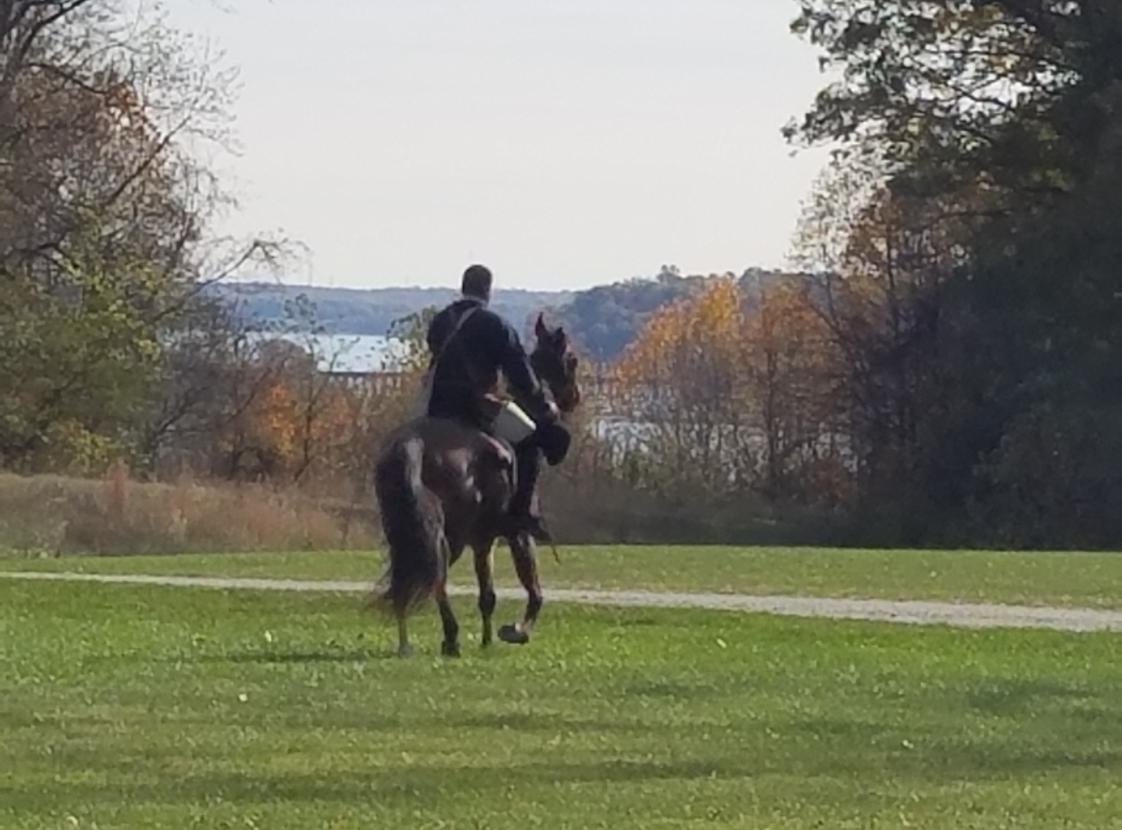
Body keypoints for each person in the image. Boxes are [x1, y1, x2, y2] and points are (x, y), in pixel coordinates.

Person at [425, 264, 559, 540]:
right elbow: (521, 375)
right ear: (488, 290)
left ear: (463, 287)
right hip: (476, 408)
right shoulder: (495, 324)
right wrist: (543, 403)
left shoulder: (440, 321)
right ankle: (520, 517)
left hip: (436, 405)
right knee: (531, 441)